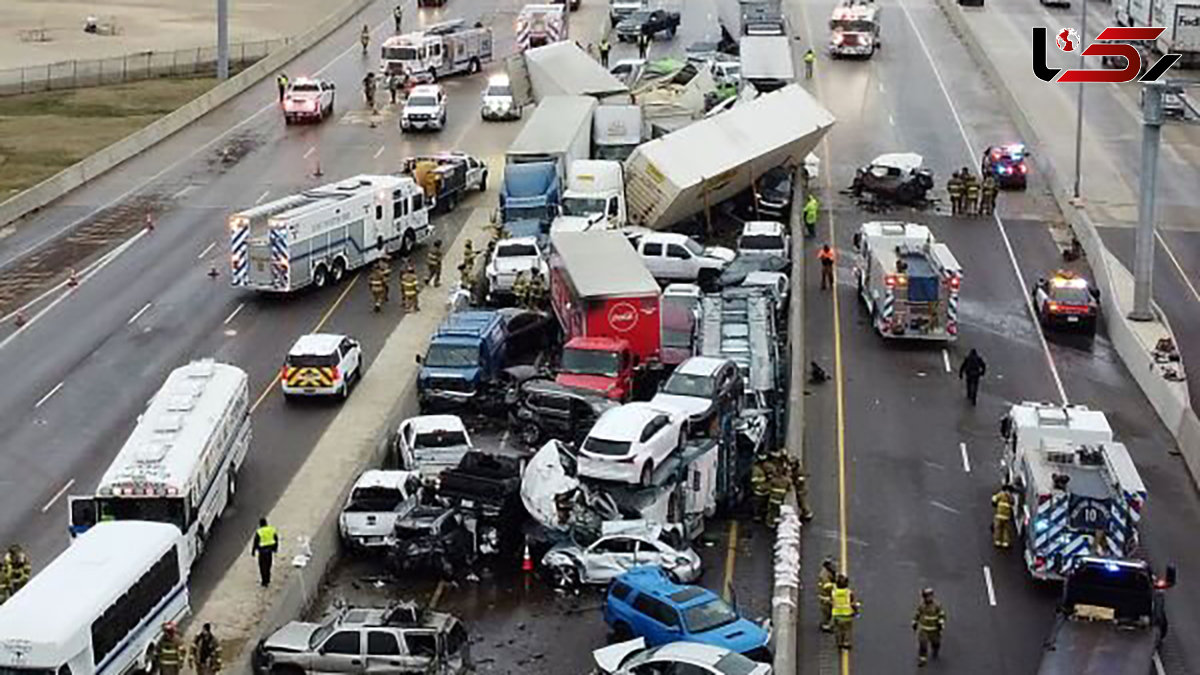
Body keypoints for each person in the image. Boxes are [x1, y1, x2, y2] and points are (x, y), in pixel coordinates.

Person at [912, 588, 946, 666]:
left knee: (936, 642)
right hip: (924, 629)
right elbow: (917, 614)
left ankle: (935, 649)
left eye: (931, 596)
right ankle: (922, 659)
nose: (929, 598)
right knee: (923, 644)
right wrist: (914, 622)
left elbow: (942, 615)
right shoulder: (922, 606)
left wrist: (941, 623)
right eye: (927, 596)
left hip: (934, 629)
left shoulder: (937, 605)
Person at [831, 574, 860, 650]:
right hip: (847, 616)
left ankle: (839, 642)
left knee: (838, 630)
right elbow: (852, 603)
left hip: (837, 615)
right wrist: (856, 612)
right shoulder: (848, 593)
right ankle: (846, 642)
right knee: (847, 630)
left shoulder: (834, 592)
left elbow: (831, 602)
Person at [251, 517, 278, 587]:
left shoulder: (259, 532)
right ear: (266, 523)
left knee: (262, 566)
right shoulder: (271, 530)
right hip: (269, 551)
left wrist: (253, 551)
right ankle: (268, 579)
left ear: (260, 524)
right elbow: (276, 539)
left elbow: (255, 542)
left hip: (262, 552)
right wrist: (275, 548)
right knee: (269, 565)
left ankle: (264, 581)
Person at [787, 456, 814, 521]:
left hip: (801, 490)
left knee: (802, 502)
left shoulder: (799, 471)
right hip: (799, 489)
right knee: (800, 502)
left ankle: (807, 513)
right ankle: (804, 512)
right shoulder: (794, 470)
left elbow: (800, 481)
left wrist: (794, 481)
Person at [817, 558, 838, 632]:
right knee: (827, 611)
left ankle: (827, 624)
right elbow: (826, 586)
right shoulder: (824, 575)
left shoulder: (829, 572)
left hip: (828, 595)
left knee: (829, 610)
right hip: (825, 596)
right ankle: (825, 625)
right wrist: (835, 586)